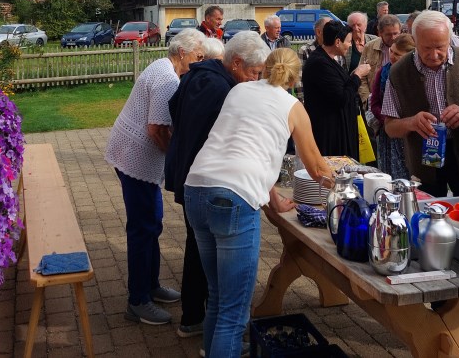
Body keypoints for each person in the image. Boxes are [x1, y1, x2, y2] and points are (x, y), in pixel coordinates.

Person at [184, 49, 333, 358]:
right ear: (295, 79)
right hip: (233, 199)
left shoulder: (239, 89)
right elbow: (318, 169)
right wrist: (345, 182)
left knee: (217, 295)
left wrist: (273, 198)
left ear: (264, 69)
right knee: (234, 312)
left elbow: (244, 145)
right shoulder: (294, 107)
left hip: (196, 187)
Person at [381, 10, 459, 350]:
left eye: (441, 47)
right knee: (429, 237)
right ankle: (441, 310)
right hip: (427, 162)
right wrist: (412, 122)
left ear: (450, 38)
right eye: (427, 48)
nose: (434, 55)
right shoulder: (398, 71)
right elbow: (389, 125)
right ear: (413, 41)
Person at [165, 32, 268, 339]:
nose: (255, 80)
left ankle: (194, 316)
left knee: (195, 247)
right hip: (206, 181)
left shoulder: (200, 76)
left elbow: (174, 109)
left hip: (190, 174)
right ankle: (200, 319)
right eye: (254, 73)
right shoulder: (220, 88)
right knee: (204, 253)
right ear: (236, 63)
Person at [104, 28, 206, 325]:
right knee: (143, 227)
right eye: (198, 57)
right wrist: (176, 160)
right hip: (134, 156)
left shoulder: (165, 68)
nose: (199, 62)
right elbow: (156, 130)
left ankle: (151, 285)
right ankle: (138, 300)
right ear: (183, 53)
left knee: (152, 223)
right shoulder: (167, 79)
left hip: (132, 152)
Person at [302, 21, 370, 159]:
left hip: (338, 129)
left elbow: (339, 86)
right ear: (338, 42)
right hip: (330, 134)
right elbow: (342, 97)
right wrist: (357, 75)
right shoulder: (320, 63)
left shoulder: (328, 60)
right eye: (349, 41)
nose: (350, 45)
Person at [369, 33, 415, 179]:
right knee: (388, 175)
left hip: (411, 134)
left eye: (398, 54)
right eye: (392, 51)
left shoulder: (417, 74)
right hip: (387, 133)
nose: (392, 56)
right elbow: (375, 102)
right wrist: (388, 120)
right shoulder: (383, 72)